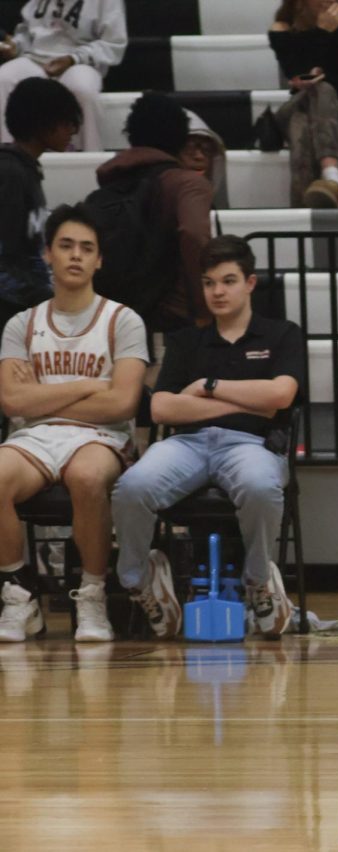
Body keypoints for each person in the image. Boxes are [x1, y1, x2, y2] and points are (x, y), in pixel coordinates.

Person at [111, 235, 304, 640]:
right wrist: (247, 402)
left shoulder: (281, 334)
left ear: (250, 283)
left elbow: (281, 396)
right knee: (131, 487)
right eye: (209, 283)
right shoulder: (186, 340)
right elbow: (162, 408)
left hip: (252, 445)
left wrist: (207, 386)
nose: (218, 291)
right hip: (187, 444)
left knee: (260, 486)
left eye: (228, 281)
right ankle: (140, 581)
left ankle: (259, 583)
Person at [0, 203, 148, 643]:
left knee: (86, 475)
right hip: (34, 437)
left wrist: (42, 399)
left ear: (99, 259)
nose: (76, 255)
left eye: (87, 248)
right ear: (48, 253)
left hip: (101, 437)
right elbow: (11, 401)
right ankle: (19, 594)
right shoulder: (21, 324)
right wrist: (87, 385)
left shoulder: (123, 320)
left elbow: (122, 403)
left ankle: (92, 594)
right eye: (66, 246)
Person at [93, 92, 214, 333]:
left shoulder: (111, 181)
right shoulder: (187, 183)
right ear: (180, 136)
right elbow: (193, 235)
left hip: (111, 315)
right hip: (170, 317)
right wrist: (203, 308)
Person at [269, 0, 338, 208]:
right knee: (316, 94)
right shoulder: (282, 29)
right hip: (301, 103)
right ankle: (333, 179)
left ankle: (302, 213)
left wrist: (315, 80)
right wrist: (322, 33)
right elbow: (295, 72)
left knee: (304, 121)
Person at [0, 77, 80, 334]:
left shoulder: (25, 170)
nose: (73, 131)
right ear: (42, 123)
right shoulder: (10, 173)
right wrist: (43, 299)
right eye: (67, 122)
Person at [0, 0, 127, 151]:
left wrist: (74, 58)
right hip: (36, 57)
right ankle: (8, 156)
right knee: (3, 78)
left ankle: (90, 156)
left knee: (82, 88)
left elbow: (113, 43)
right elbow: (29, 32)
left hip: (81, 61)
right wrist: (16, 46)